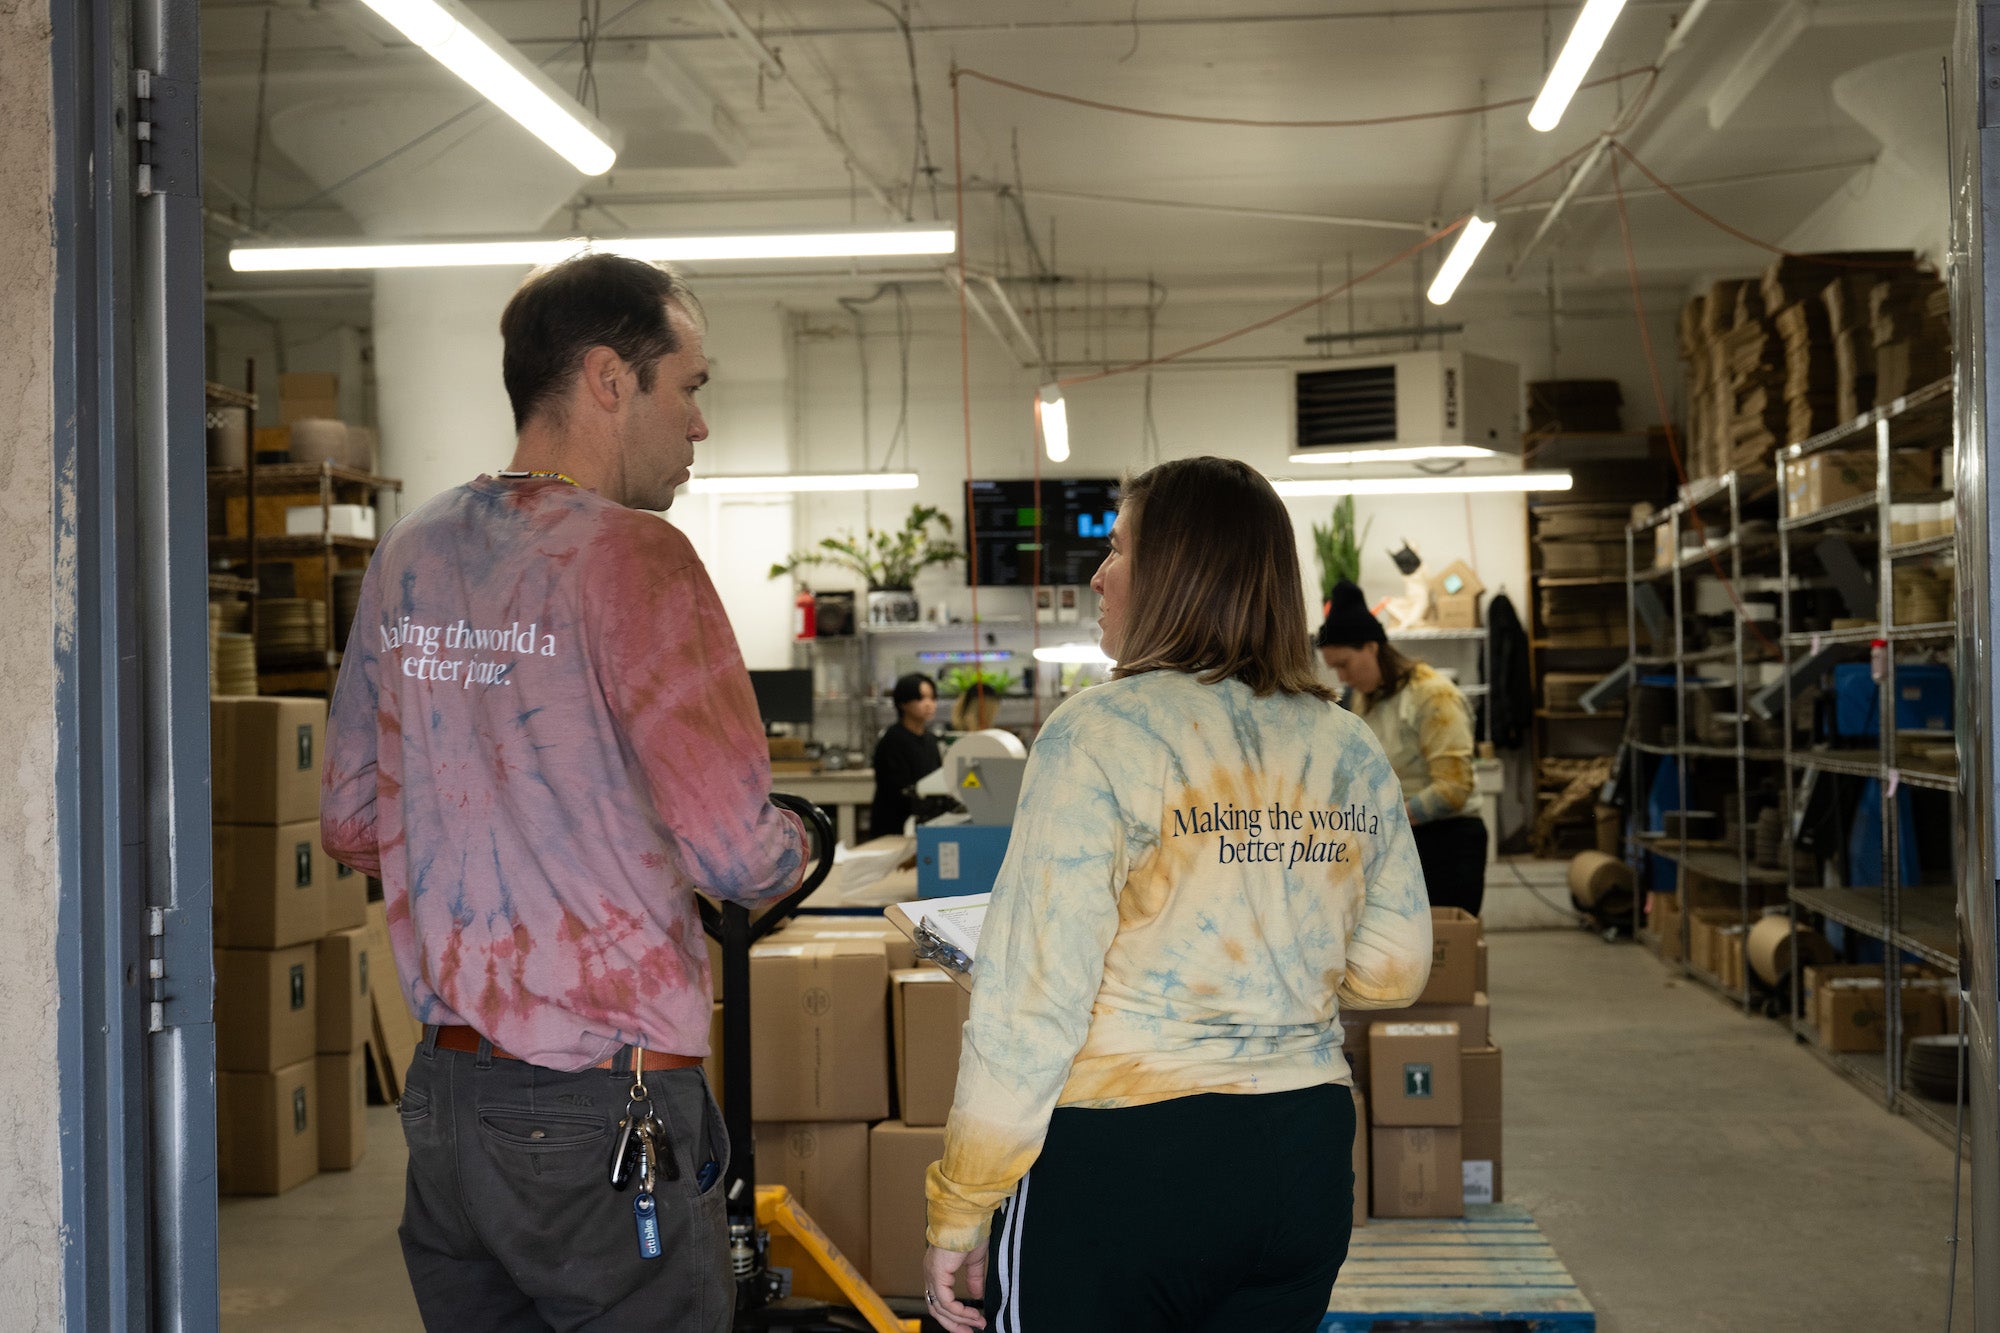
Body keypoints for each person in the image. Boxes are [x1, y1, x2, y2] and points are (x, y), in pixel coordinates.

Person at [321, 253, 810, 1332]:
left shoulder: (411, 553)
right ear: (606, 378)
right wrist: (800, 846)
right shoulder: (640, 558)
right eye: (689, 387)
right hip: (602, 1106)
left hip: (446, 1109)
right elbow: (737, 856)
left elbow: (352, 818)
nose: (698, 426)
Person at [920, 457, 1432, 1333]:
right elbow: (1393, 970)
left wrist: (962, 1202)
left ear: (1174, 574)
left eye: (1118, 548)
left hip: (1128, 1159)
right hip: (1302, 1155)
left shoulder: (1099, 731)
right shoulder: (1345, 744)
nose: (1099, 572)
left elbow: (1032, 1004)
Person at [1316, 579, 1488, 916]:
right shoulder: (1361, 700)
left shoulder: (1432, 695)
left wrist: (1385, 819)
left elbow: (1454, 788)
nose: (1341, 678)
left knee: (1445, 953)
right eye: (1333, 668)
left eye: (1344, 664)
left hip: (1448, 843)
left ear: (1371, 646)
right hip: (1399, 838)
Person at [871, 672, 943, 836]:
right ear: (903, 702)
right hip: (895, 827)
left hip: (925, 825)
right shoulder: (893, 740)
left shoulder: (930, 740)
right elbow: (896, 790)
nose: (929, 704)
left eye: (932, 698)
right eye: (920, 698)